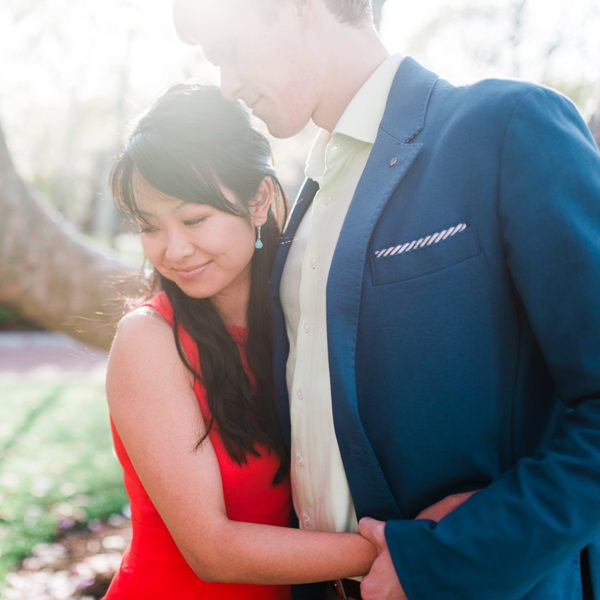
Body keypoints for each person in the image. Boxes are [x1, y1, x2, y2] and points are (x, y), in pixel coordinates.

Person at [173, 1, 600, 599]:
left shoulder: (504, 127)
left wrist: (462, 549)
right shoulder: (309, 197)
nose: (227, 86)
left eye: (229, 51)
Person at [103, 83, 376, 600]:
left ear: (259, 201)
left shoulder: (306, 316)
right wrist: (399, 553)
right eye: (148, 226)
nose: (174, 249)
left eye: (194, 219)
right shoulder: (149, 340)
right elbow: (212, 549)